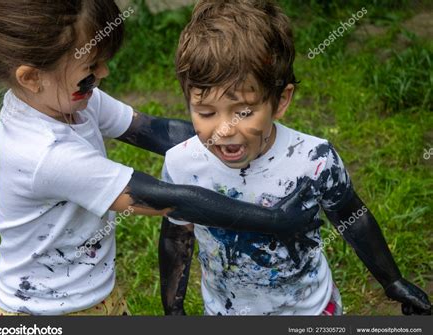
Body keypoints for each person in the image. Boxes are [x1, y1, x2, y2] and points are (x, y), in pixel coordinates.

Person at [0, 0, 320, 315]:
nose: (104, 74)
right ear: (31, 77)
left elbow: (149, 129)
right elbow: (167, 200)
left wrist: (230, 137)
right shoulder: (45, 153)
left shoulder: (65, 101)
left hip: (93, 293)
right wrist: (274, 220)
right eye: (91, 69)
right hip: (44, 312)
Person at [159, 0, 431, 316]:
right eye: (205, 112)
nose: (224, 130)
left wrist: (393, 280)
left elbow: (351, 217)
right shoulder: (182, 165)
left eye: (243, 111)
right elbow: (177, 237)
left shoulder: (313, 160)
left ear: (280, 100)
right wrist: (173, 310)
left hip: (311, 311)